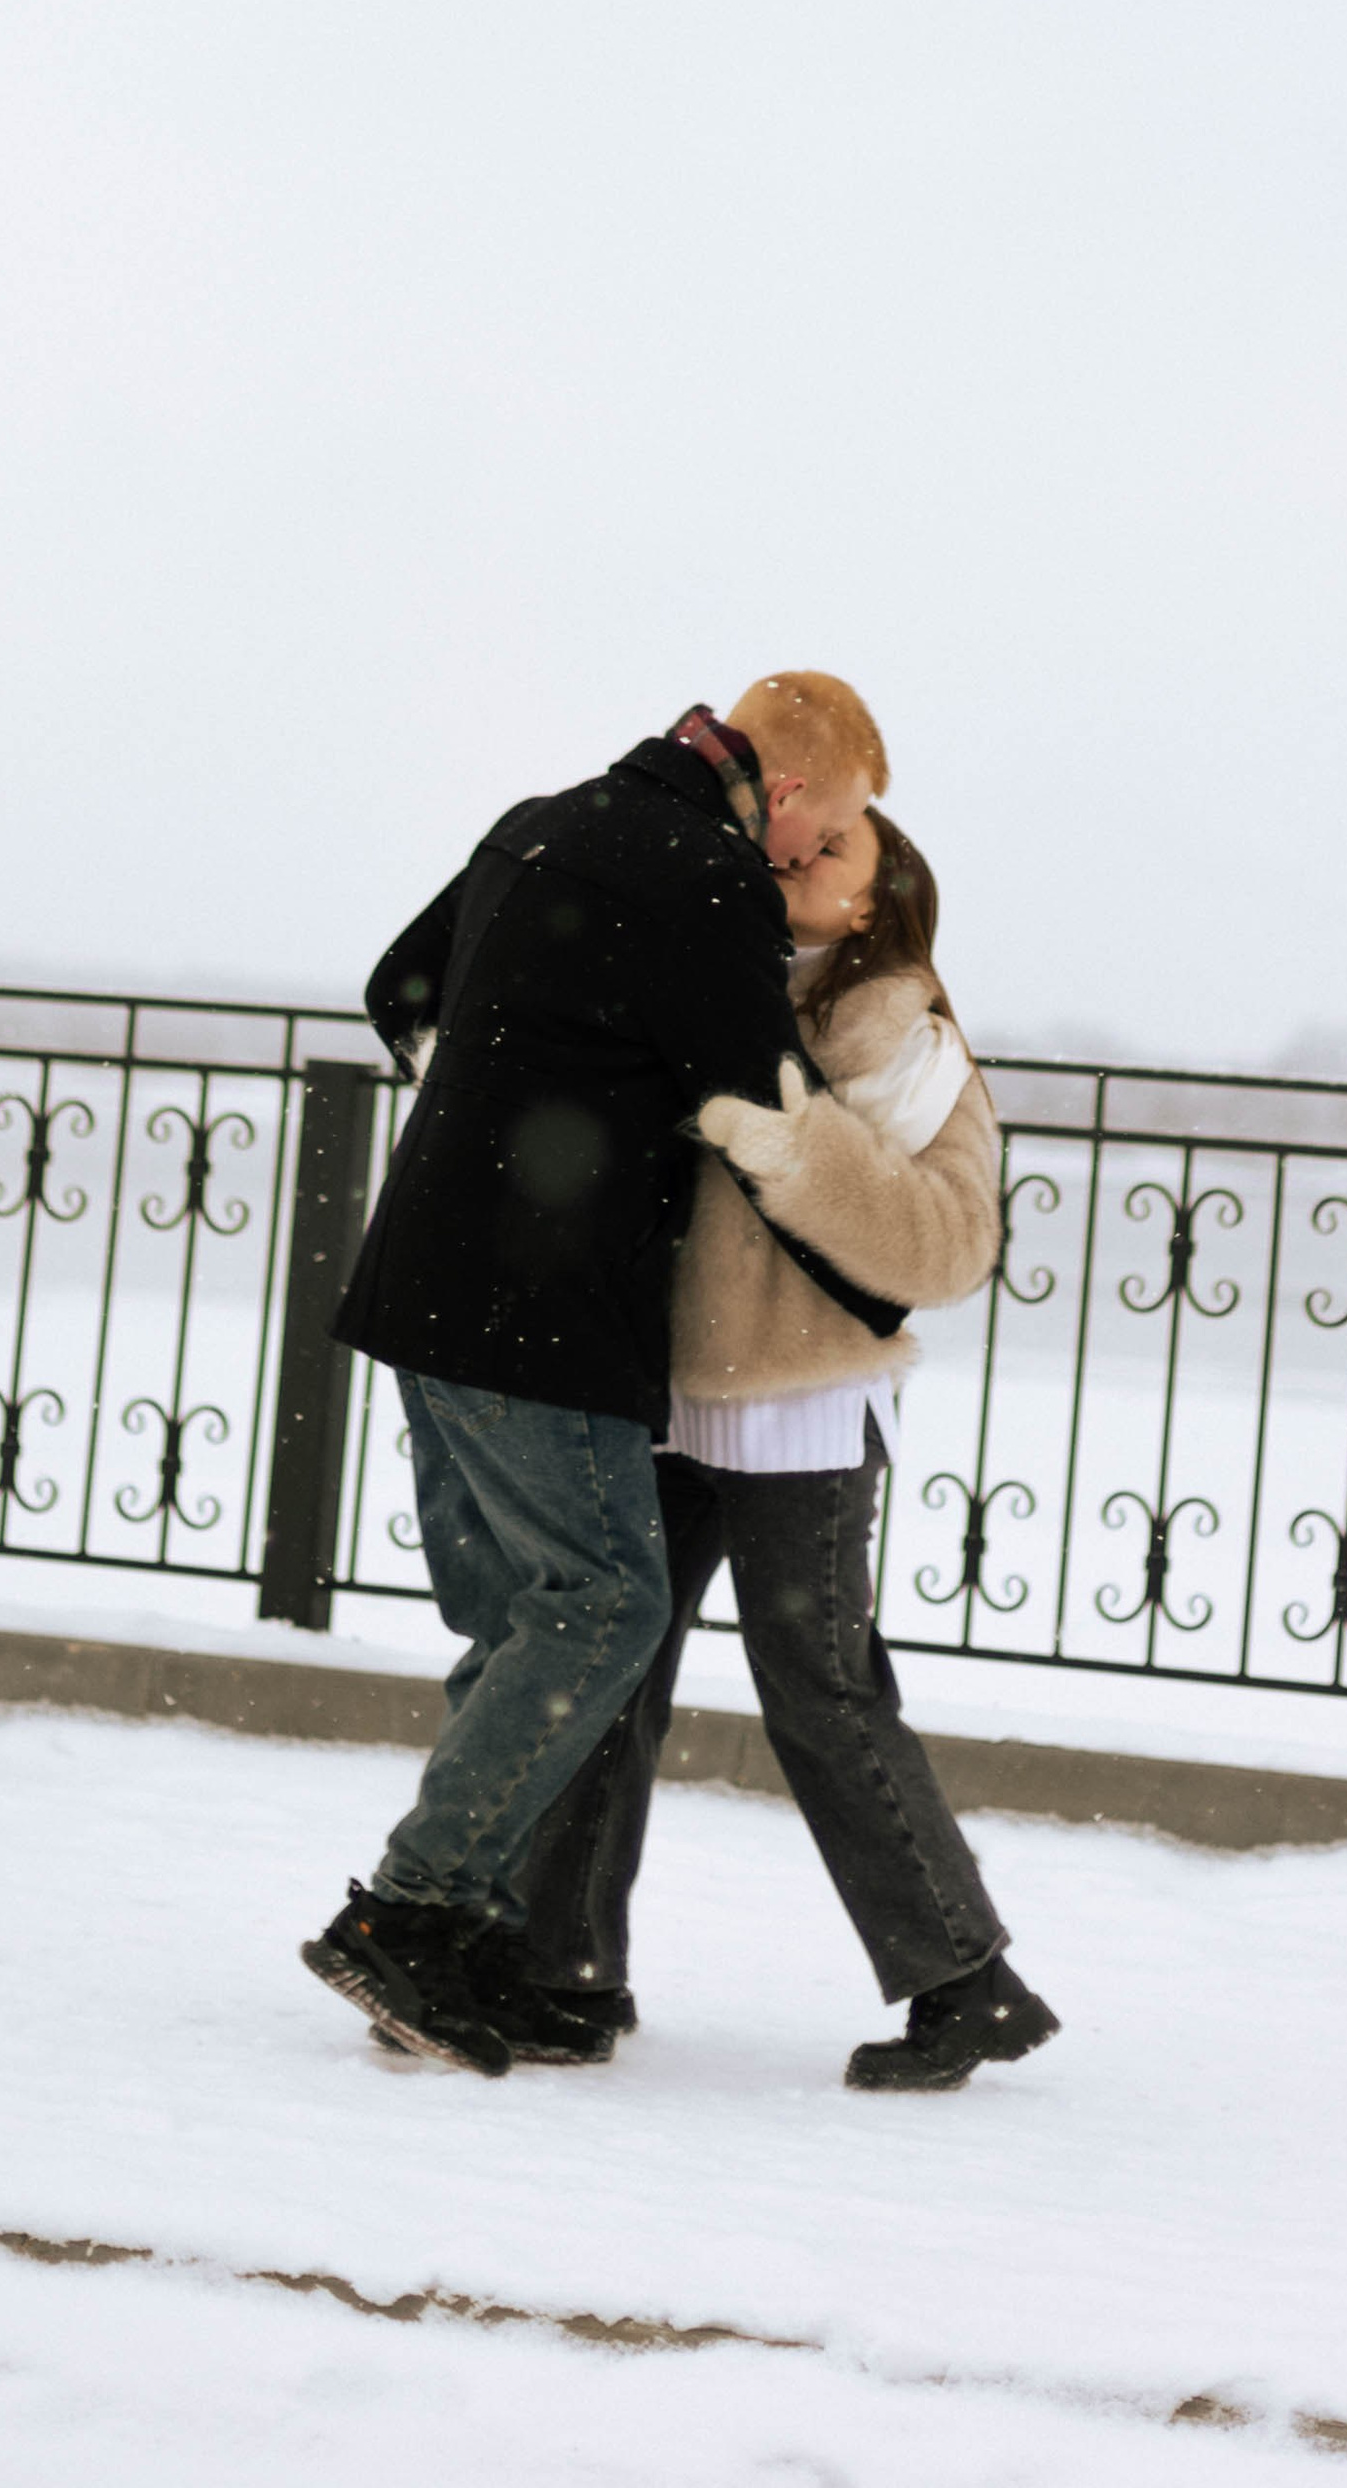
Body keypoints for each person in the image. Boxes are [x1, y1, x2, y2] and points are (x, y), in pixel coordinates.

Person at [300, 674, 889, 2076]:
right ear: (791, 791)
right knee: (605, 1607)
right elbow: (771, 1110)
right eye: (837, 825)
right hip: (539, 1312)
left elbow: (401, 990)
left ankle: (470, 1940)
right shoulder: (706, 879)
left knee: (521, 1619)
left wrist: (487, 1117)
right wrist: (876, 1278)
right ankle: (407, 1913)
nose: (813, 857)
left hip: (424, 1287)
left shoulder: (543, 824)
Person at [508, 806, 1060, 2093]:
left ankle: (967, 1983)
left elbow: (954, 1243)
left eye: (833, 855)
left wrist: (798, 1149)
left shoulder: (906, 1037)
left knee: (818, 1689)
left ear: (875, 902)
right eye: (788, 843)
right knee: (610, 1668)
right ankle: (564, 1974)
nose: (795, 859)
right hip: (669, 1392)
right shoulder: (709, 985)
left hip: (803, 1403)